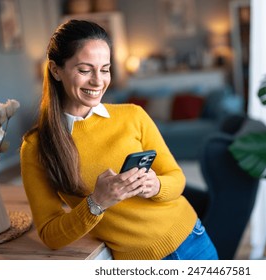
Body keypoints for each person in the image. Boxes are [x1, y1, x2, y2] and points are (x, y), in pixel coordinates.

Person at [20, 19, 218, 260]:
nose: (97, 80)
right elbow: (50, 234)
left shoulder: (133, 115)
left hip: (192, 239)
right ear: (55, 70)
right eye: (84, 70)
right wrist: (97, 202)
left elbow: (177, 177)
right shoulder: (36, 146)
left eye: (105, 69)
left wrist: (156, 185)